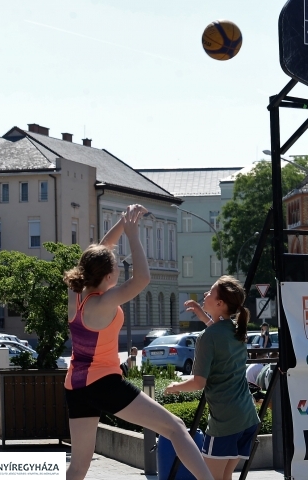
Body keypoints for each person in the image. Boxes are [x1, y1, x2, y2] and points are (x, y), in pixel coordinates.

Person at [62, 205, 213, 480]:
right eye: (116, 268)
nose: (119, 270)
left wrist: (123, 222)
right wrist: (132, 234)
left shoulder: (77, 292)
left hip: (75, 385)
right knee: (176, 427)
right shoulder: (105, 301)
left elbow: (101, 249)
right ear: (107, 276)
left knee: (80, 465)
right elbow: (143, 278)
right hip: (102, 383)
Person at [165, 276, 260, 480]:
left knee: (209, 478)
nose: (205, 295)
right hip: (248, 417)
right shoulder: (236, 329)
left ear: (220, 303)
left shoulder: (207, 337)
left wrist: (175, 386)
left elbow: (198, 382)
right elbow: (217, 331)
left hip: (226, 422)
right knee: (224, 478)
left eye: (210, 292)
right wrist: (202, 315)